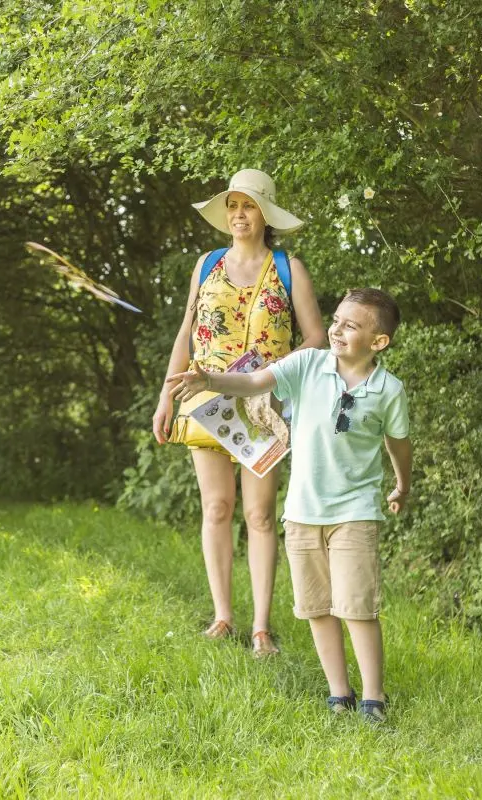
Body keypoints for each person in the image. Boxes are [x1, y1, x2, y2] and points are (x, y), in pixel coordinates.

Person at [166, 288, 411, 723]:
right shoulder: (307, 365)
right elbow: (254, 382)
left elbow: (397, 443)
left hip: (355, 512)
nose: (336, 329)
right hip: (301, 512)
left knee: (356, 607)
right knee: (317, 607)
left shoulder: (388, 390)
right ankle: (340, 694)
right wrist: (210, 381)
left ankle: (374, 698)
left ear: (378, 342)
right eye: (335, 320)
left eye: (351, 325)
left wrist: (402, 483)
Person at [152, 169, 326, 657]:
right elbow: (187, 335)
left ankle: (262, 628)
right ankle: (223, 616)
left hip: (262, 404)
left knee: (259, 514)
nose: (238, 215)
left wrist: (271, 373)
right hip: (205, 400)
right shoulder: (206, 265)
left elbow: (315, 338)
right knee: (217, 508)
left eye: (247, 206)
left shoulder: (288, 268)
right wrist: (166, 396)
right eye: (232, 206)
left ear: (265, 214)